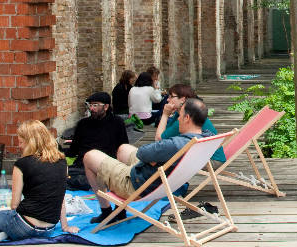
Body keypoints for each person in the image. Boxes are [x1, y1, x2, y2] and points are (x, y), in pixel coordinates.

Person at [83, 98, 213, 224]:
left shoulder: (175, 144)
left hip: (138, 184)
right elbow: (148, 155)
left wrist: (154, 158)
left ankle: (106, 211)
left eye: (180, 114)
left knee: (89, 156)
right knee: (123, 149)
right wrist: (155, 160)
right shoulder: (206, 139)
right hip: (160, 180)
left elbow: (142, 152)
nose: (178, 118)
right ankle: (120, 208)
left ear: (187, 118)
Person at [155, 84, 226, 163]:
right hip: (206, 156)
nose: (168, 100)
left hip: (211, 161)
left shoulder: (187, 118)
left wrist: (165, 115)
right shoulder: (182, 114)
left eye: (171, 96)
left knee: (161, 157)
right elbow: (165, 134)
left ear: (182, 99)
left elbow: (159, 140)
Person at [68, 92, 129, 169]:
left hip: (108, 165)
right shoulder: (83, 124)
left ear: (106, 106)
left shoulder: (117, 122)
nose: (91, 108)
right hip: (84, 164)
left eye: (95, 105)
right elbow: (74, 149)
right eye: (90, 105)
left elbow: (123, 146)